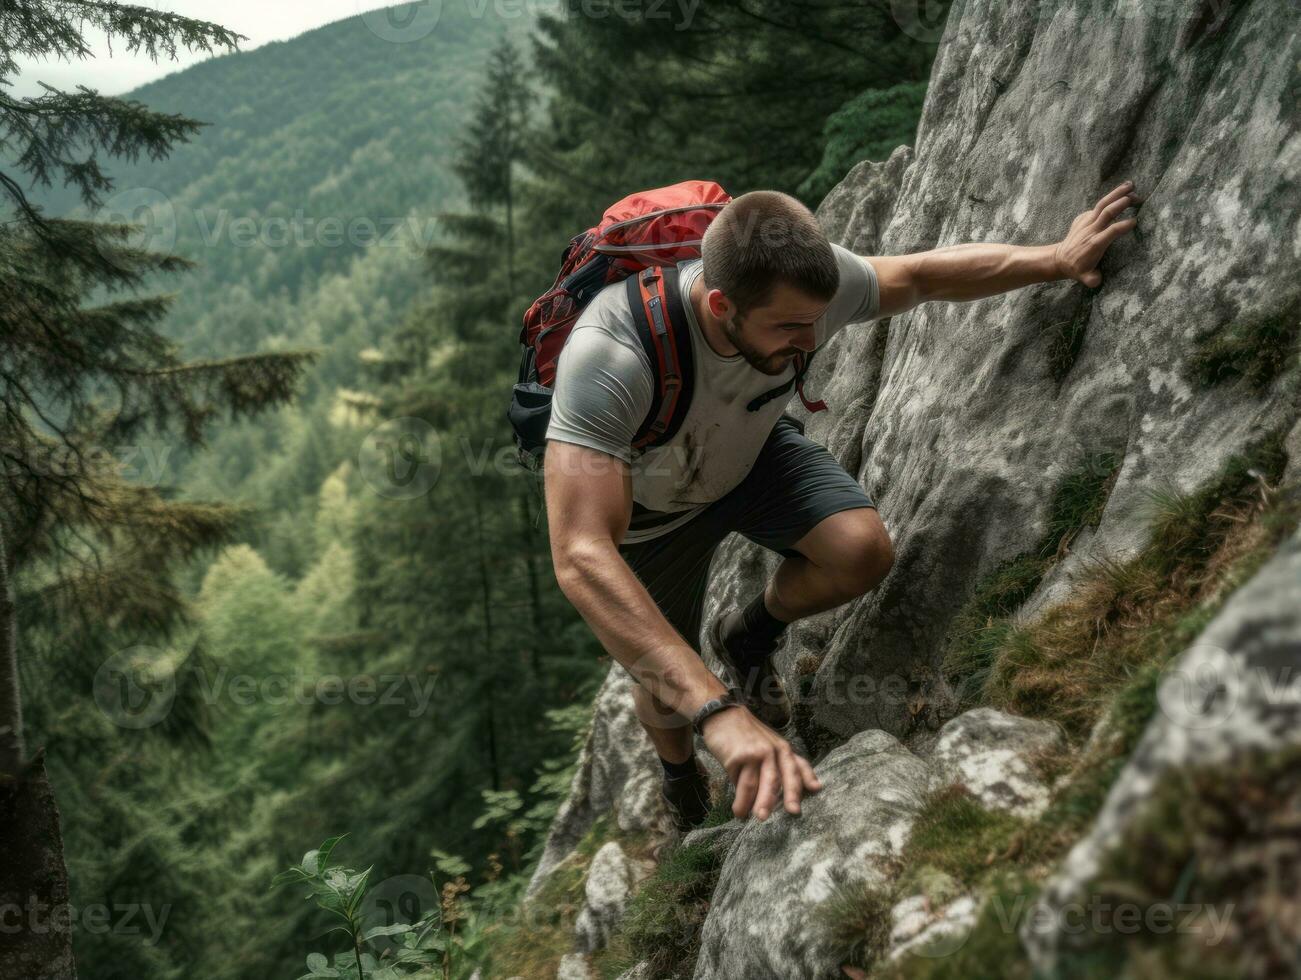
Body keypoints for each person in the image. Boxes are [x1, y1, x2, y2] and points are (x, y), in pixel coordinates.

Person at [543, 182, 1140, 831]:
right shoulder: (612, 354)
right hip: (655, 517)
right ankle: (682, 783)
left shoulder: (804, 297)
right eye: (790, 328)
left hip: (747, 457)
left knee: (860, 551)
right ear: (721, 305)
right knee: (661, 680)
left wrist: (1056, 257)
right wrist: (718, 715)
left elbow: (918, 276)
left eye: (815, 321)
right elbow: (579, 555)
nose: (810, 340)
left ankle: (750, 635)